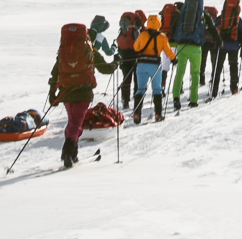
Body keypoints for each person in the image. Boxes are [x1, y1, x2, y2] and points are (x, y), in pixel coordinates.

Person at [47, 21, 120, 168]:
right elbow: (105, 69)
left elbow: (55, 73)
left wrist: (52, 92)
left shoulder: (63, 51)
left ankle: (72, 153)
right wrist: (116, 62)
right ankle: (68, 152)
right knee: (76, 123)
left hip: (66, 92)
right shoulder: (90, 50)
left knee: (73, 121)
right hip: (84, 92)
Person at [132, 10, 175, 123]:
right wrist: (174, 59)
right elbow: (168, 50)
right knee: (157, 89)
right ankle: (158, 114)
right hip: (155, 66)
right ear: (159, 24)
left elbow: (136, 47)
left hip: (141, 65)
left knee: (140, 89)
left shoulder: (143, 34)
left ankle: (137, 114)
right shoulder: (162, 37)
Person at [171, 0, 210, 112]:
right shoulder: (202, 15)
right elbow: (211, 28)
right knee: (195, 73)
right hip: (195, 48)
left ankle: (176, 98)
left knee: (180, 72)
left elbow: (174, 27)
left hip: (182, 46)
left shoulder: (183, 13)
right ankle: (193, 100)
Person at [214, 0, 242, 96]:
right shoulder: (238, 20)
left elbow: (214, 30)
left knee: (218, 67)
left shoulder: (220, 18)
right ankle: (234, 87)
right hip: (234, 46)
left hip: (221, 46)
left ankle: (214, 89)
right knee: (233, 66)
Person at [115, 12, 140, 112]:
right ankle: (137, 100)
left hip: (124, 57)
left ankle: (125, 100)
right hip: (135, 57)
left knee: (126, 79)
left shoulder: (122, 31)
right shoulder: (135, 31)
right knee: (137, 80)